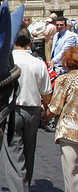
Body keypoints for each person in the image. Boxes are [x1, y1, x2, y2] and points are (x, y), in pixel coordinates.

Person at [3, 28, 52, 192]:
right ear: (30, 43)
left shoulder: (6, 62)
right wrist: (46, 110)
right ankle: (25, 184)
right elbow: (46, 93)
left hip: (11, 109)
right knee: (29, 150)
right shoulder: (39, 63)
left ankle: (19, 188)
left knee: (13, 152)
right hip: (33, 109)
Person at [45, 47, 78, 192]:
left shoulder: (64, 80)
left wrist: (45, 117)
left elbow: (55, 107)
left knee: (71, 173)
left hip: (69, 130)